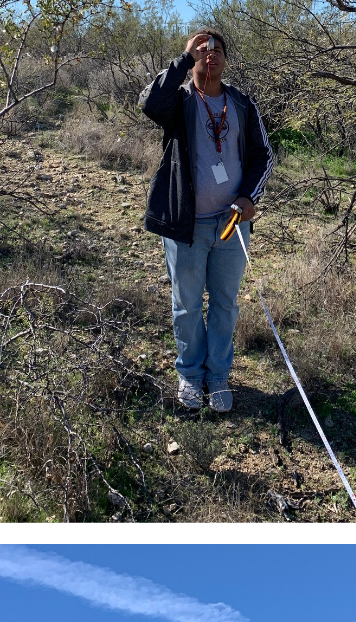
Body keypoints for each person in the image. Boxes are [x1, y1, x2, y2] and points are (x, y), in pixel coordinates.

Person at [139, 29, 275, 413]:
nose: (210, 55)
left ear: (227, 60)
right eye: (202, 50)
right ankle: (189, 374)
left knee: (225, 304)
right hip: (187, 223)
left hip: (232, 225)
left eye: (217, 49)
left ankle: (217, 376)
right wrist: (182, 61)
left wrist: (249, 197)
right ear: (193, 56)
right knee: (186, 304)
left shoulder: (242, 104)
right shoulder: (179, 102)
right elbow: (149, 103)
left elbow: (264, 156)